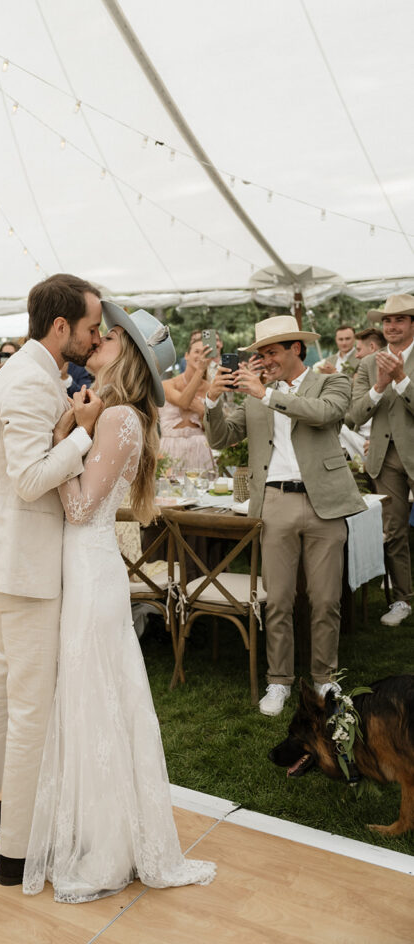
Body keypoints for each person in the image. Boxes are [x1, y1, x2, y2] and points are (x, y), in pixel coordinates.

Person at [23, 303, 216, 903]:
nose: (97, 341)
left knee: (92, 695)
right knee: (99, 695)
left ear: (126, 354)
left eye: (108, 337)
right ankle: (104, 830)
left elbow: (80, 508)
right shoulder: (123, 415)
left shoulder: (116, 420)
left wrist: (62, 440)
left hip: (90, 564)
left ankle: (105, 845)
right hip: (93, 565)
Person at [0, 273, 103, 888]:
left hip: (11, 562)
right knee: (30, 707)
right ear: (60, 326)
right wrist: (83, 432)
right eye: (91, 328)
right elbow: (28, 478)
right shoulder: (29, 382)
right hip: (23, 567)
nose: (94, 339)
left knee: (3, 684)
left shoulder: (31, 376)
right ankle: (15, 851)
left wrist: (68, 424)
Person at [204, 315, 365, 717]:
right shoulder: (258, 394)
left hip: (324, 501)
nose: (265, 360)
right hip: (274, 502)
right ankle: (279, 681)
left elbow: (323, 414)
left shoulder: (332, 381)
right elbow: (223, 437)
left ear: (296, 348)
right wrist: (210, 400)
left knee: (326, 599)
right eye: (260, 353)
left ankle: (324, 677)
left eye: (271, 351)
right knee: (277, 599)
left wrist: (266, 394)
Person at [349, 294, 414, 627]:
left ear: (412, 324)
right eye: (387, 321)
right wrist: (379, 385)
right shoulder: (368, 364)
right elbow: (354, 414)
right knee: (394, 531)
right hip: (385, 459)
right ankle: (403, 600)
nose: (391, 326)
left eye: (399, 319)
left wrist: (402, 379)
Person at [159, 335, 216, 475]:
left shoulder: (211, 388)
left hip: (199, 447)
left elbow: (211, 428)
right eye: (197, 351)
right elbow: (184, 403)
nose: (201, 356)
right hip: (170, 447)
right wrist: (200, 371)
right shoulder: (167, 384)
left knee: (203, 491)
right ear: (186, 355)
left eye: (205, 352)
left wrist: (203, 412)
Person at [339, 328, 386, 460]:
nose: (356, 355)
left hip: (382, 443)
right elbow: (355, 414)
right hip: (359, 436)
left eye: (359, 350)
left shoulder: (392, 371)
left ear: (372, 347)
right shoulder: (363, 372)